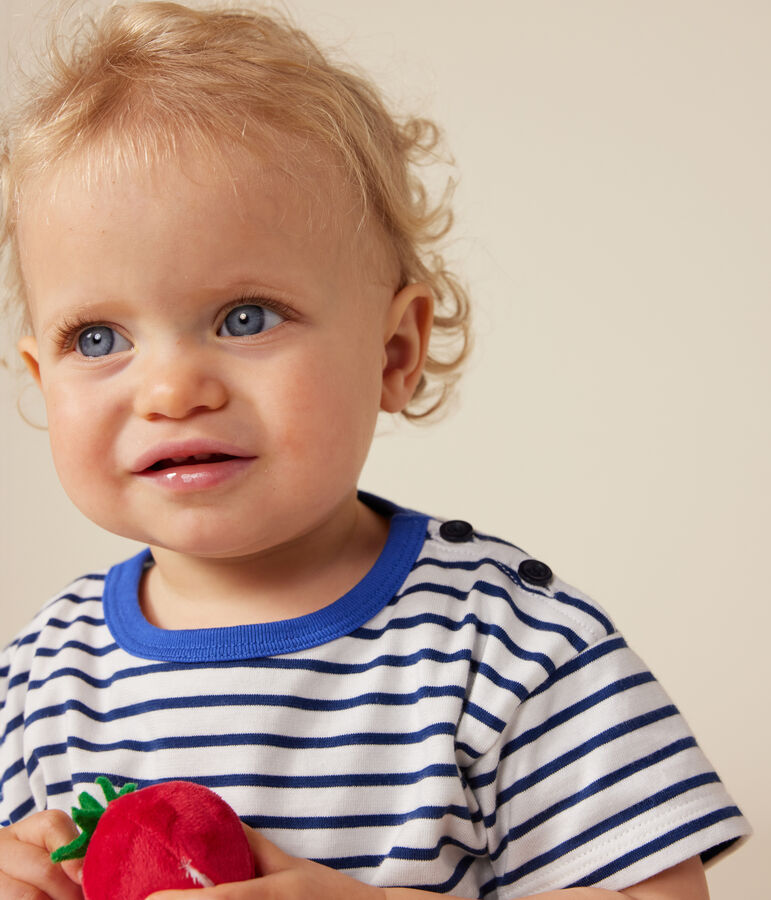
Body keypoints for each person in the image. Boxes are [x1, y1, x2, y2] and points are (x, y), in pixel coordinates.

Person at [0, 2, 750, 899]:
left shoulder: (512, 646)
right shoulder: (38, 678)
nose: (170, 390)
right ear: (41, 378)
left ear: (393, 351)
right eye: (96, 340)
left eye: (246, 317)